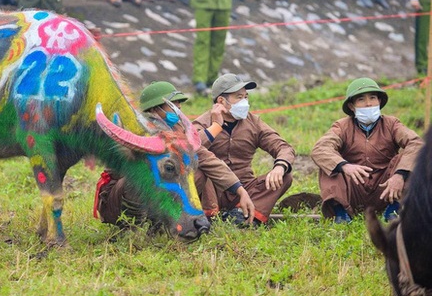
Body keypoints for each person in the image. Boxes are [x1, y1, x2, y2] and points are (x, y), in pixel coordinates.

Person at [95, 81, 256, 227]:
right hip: (120, 200)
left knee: (194, 170)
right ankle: (132, 226)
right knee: (142, 176)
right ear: (155, 109)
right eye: (172, 105)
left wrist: (240, 190)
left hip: (158, 196)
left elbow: (207, 158)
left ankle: (163, 220)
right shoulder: (135, 130)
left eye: (178, 105)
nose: (178, 109)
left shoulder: (177, 131)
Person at [311, 78, 423, 223]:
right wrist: (344, 166)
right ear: (352, 106)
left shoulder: (391, 124)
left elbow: (416, 143)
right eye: (361, 99)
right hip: (353, 191)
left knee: (406, 159)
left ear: (379, 101)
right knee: (330, 165)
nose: (369, 103)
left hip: (386, 189)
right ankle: (341, 213)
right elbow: (320, 148)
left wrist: (399, 175)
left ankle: (394, 209)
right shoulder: (342, 126)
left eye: (373, 98)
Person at [192, 74, 295, 225]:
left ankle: (241, 214)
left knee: (286, 176)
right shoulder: (203, 122)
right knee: (201, 170)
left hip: (245, 189)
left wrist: (280, 166)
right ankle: (209, 216)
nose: (244, 102)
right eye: (239, 97)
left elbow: (283, 147)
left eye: (246, 97)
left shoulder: (253, 122)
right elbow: (190, 148)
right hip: (212, 191)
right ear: (221, 101)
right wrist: (216, 127)